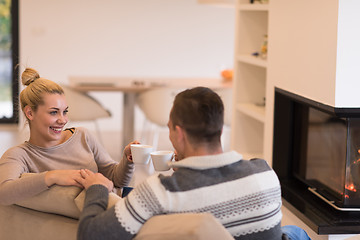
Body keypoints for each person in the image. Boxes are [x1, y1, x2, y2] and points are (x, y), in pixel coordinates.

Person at [77, 87, 311, 240]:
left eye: (168, 128)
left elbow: (90, 235)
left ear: (179, 133)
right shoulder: (265, 174)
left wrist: (97, 188)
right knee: (295, 233)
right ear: (219, 127)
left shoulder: (160, 191)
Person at [0, 68, 136, 205]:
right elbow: (3, 193)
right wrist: (52, 176)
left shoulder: (83, 136)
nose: (63, 120)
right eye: (54, 112)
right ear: (30, 113)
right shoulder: (19, 155)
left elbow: (116, 180)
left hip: (122, 203)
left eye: (65, 112)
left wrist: (128, 160)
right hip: (100, 213)